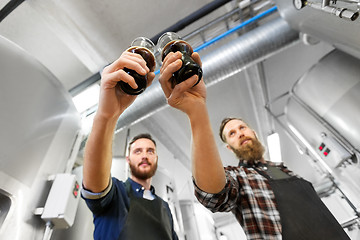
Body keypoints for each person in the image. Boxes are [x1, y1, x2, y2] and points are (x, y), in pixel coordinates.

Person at [158, 51, 350, 239]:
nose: (240, 133)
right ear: (229, 148)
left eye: (242, 128)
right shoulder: (239, 177)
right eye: (231, 134)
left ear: (254, 133)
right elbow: (214, 195)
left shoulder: (281, 169)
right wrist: (196, 111)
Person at [81, 50, 178, 240]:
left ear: (156, 158)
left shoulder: (165, 208)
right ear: (128, 159)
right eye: (138, 151)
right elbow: (95, 183)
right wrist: (107, 115)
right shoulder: (115, 194)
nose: (144, 155)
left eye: (150, 151)